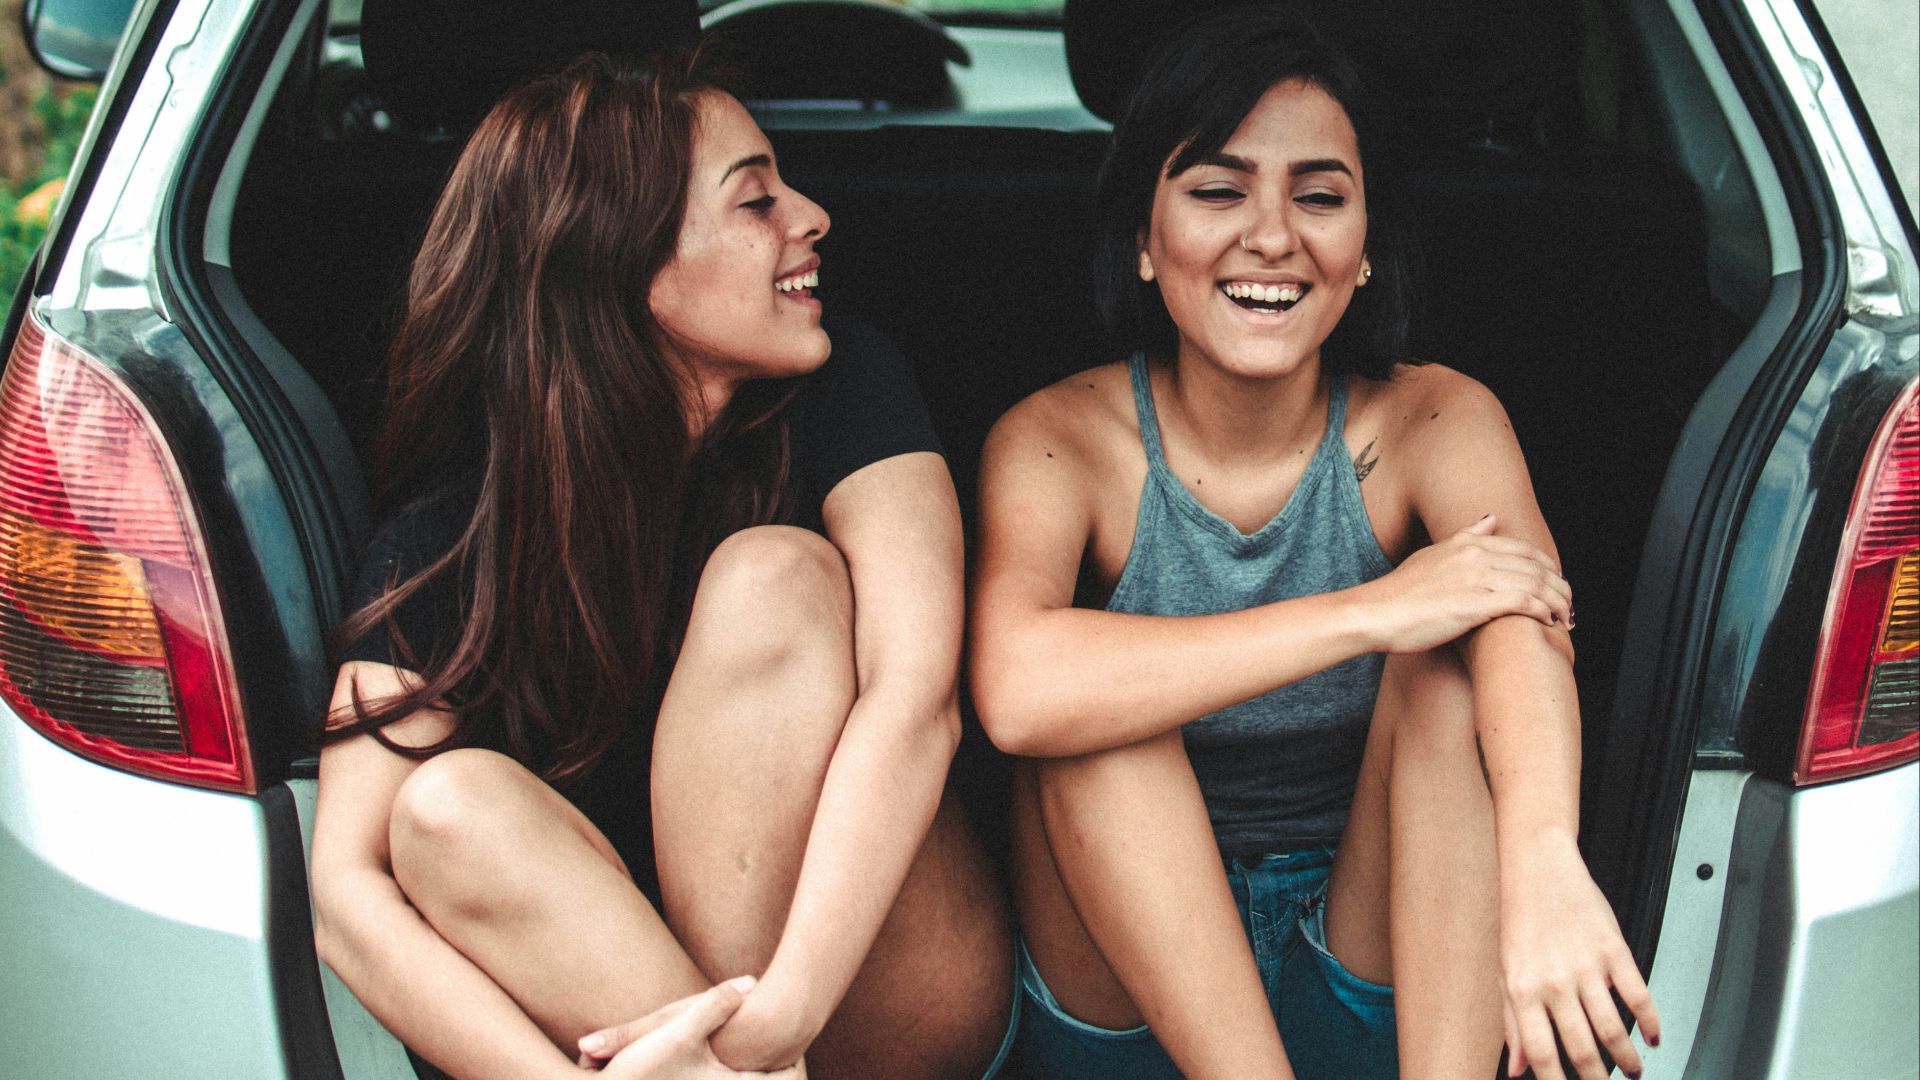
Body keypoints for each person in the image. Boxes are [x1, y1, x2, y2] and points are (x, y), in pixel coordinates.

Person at [968, 11, 1661, 1080]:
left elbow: (1527, 617)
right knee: (1094, 718)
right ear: (1144, 238)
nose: (1272, 237)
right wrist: (1370, 612)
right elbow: (1016, 692)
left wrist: (1545, 869)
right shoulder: (1060, 439)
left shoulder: (1437, 416)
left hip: (1369, 944)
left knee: (1452, 669)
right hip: (1129, 977)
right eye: (1218, 191)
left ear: (1369, 245)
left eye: (1321, 197)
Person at [309, 49, 1014, 1080]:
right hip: (649, 1041)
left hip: (877, 996)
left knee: (772, 577)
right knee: (444, 808)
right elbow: (345, 897)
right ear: (621, 264)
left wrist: (777, 1021)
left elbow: (917, 701)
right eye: (756, 201)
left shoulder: (847, 391)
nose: (812, 216)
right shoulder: (458, 533)